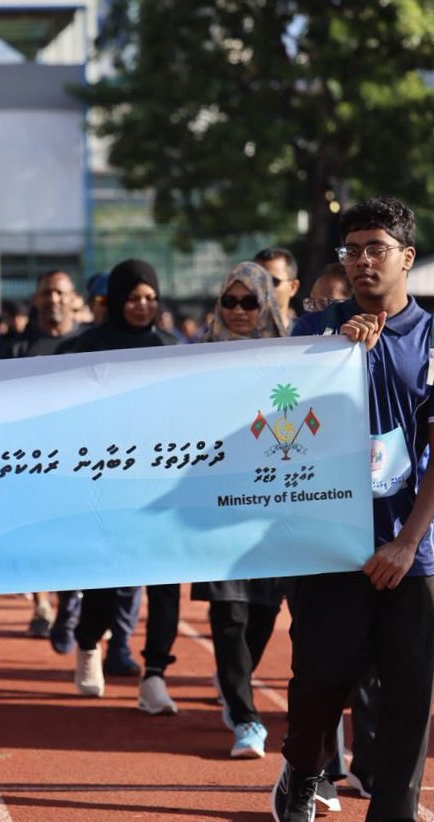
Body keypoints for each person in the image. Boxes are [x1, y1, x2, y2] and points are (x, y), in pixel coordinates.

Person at [273, 197, 434, 822]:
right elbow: (276, 426)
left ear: (407, 258)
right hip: (329, 543)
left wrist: (405, 543)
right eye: (352, 250)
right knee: (319, 678)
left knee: (405, 697)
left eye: (377, 249)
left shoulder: (433, 339)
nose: (363, 261)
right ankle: (303, 767)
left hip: (410, 550)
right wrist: (332, 360)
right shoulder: (315, 333)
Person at [60, 259, 181, 712]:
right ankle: (90, 643)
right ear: (115, 300)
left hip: (161, 487)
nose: (142, 306)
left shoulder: (172, 347)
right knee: (105, 582)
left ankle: (154, 675)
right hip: (106, 485)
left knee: (166, 583)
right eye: (133, 298)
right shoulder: (84, 348)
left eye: (150, 298)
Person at [193, 262, 290, 761]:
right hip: (215, 509)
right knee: (228, 612)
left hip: (271, 511)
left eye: (248, 302)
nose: (236, 311)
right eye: (228, 302)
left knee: (263, 614)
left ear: (266, 304)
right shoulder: (197, 358)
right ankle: (246, 718)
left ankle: (237, 683)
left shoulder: (293, 357)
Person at [253, 246, 300, 326]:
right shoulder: (236, 336)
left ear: (293, 287)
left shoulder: (306, 334)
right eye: (258, 280)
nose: (265, 287)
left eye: (273, 281)